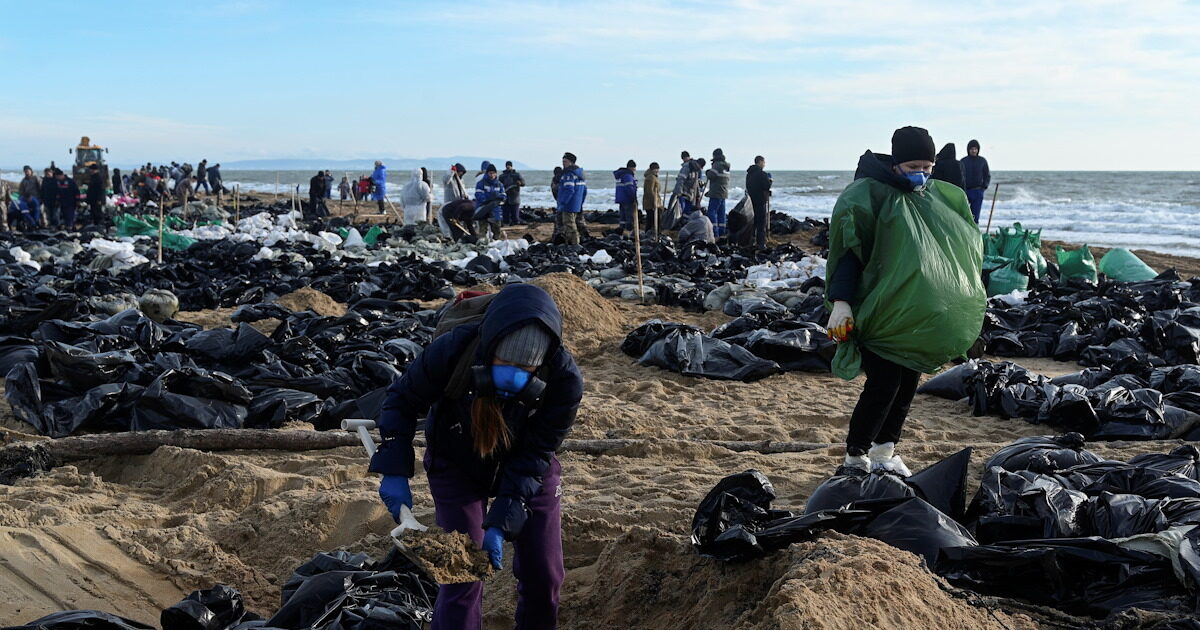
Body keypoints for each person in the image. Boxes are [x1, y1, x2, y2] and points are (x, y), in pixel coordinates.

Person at [371, 283, 582, 629]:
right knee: (462, 575)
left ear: (541, 365)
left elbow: (537, 454)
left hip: (526, 466)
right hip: (456, 460)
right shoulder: (455, 350)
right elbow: (400, 401)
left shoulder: (564, 380)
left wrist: (502, 519)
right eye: (505, 362)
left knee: (544, 574)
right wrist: (394, 469)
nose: (514, 374)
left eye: (525, 368)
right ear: (490, 348)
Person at [825, 126, 985, 476]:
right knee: (883, 386)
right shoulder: (872, 197)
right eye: (915, 165)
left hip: (915, 319)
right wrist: (841, 302)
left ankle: (884, 453)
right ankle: (855, 457)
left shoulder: (931, 199)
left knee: (907, 387)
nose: (922, 174)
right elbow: (849, 253)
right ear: (896, 163)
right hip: (880, 314)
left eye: (928, 167)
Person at [556, 153, 587, 245]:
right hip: (576, 204)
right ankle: (573, 242)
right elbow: (584, 191)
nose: (563, 164)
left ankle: (575, 245)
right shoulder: (580, 175)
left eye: (565, 161)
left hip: (569, 205)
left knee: (569, 225)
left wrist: (562, 202)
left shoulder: (568, 174)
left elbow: (569, 190)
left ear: (571, 162)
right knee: (574, 224)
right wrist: (580, 202)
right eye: (562, 162)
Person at [960, 139, 991, 223]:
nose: (973, 151)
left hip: (977, 191)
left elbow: (987, 175)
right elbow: (959, 175)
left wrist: (984, 186)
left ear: (978, 150)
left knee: (975, 216)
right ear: (968, 150)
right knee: (964, 215)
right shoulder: (963, 161)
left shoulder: (982, 161)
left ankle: (975, 233)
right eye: (972, 149)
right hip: (965, 191)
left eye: (975, 149)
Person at [474, 163, 507, 241]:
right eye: (490, 173)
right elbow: (478, 194)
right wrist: (488, 200)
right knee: (482, 230)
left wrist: (499, 199)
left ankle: (496, 244)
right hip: (483, 209)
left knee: (497, 230)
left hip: (495, 210)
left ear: (496, 174)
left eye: (493, 173)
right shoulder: (481, 183)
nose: (492, 175)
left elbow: (504, 196)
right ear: (487, 173)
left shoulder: (499, 184)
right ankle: (482, 245)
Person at [745, 155, 773, 248]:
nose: (764, 164)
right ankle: (761, 243)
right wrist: (770, 180)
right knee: (761, 222)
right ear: (760, 162)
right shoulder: (762, 174)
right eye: (764, 162)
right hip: (760, 200)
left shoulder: (749, 174)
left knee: (753, 222)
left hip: (751, 201)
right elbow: (767, 186)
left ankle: (751, 240)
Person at [705, 149, 731, 237]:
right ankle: (722, 232)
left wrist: (708, 172)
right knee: (721, 214)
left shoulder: (717, 165)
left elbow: (711, 176)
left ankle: (714, 232)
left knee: (712, 212)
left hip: (716, 193)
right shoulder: (726, 167)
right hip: (724, 193)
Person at [440, 163, 470, 237]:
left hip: (458, 203)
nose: (460, 174)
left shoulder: (461, 180)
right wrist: (452, 172)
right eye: (460, 172)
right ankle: (448, 236)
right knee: (449, 220)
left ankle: (459, 235)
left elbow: (462, 190)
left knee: (458, 219)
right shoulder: (450, 180)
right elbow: (445, 180)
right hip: (449, 202)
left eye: (462, 173)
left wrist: (465, 197)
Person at [612, 160, 638, 234]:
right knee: (629, 217)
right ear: (632, 168)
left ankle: (621, 231)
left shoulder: (621, 175)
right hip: (627, 199)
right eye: (634, 168)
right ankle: (629, 232)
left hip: (621, 198)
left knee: (622, 217)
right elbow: (629, 188)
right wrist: (633, 198)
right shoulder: (628, 175)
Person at [498, 161, 525, 226]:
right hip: (505, 197)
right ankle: (506, 223)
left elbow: (523, 183)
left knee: (515, 217)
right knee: (505, 217)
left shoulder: (517, 175)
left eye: (509, 165)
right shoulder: (502, 176)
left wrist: (520, 183)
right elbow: (498, 185)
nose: (508, 167)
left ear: (511, 166)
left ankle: (517, 222)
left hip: (514, 197)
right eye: (507, 165)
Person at [672, 151, 699, 216]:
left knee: (683, 210)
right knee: (689, 210)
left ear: (683, 158)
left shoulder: (686, 167)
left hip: (684, 192)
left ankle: (684, 222)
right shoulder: (695, 166)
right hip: (691, 193)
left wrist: (678, 192)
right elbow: (696, 181)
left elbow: (681, 179)